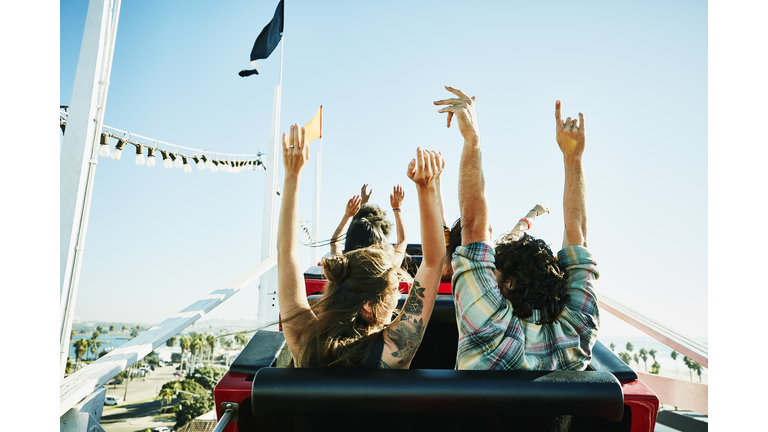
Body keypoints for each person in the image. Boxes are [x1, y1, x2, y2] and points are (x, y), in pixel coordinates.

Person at [434, 86, 600, 370]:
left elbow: (474, 227)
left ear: (509, 282)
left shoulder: (487, 326)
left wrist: (472, 139)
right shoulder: (578, 332)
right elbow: (579, 238)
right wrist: (573, 158)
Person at [276, 123, 446, 368]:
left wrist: (292, 175)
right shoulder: (392, 351)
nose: (399, 297)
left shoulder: (303, 340)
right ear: (369, 306)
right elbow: (433, 262)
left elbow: (286, 254)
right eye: (394, 292)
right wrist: (427, 187)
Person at [440, 204, 549, 282]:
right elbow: (517, 231)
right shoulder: (492, 261)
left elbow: (441, 217)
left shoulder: (439, 263)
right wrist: (534, 212)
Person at [329, 184, 408, 269]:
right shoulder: (387, 269)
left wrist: (348, 215)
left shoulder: (342, 269)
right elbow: (402, 241)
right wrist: (397, 208)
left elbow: (335, 243)